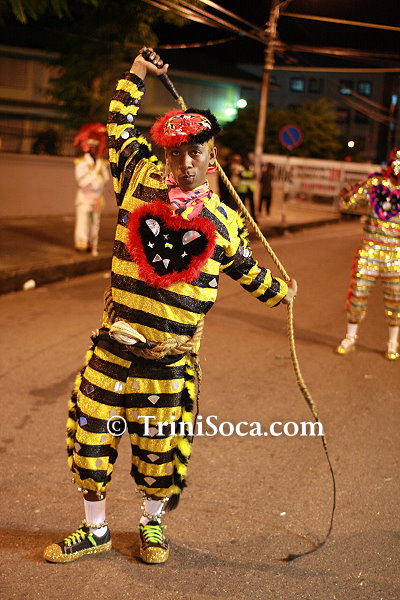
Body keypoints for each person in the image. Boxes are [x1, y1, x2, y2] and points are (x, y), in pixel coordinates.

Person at [43, 49, 297, 566]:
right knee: (90, 436)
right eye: (175, 153)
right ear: (164, 155)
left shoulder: (223, 222)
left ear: (211, 158)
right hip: (113, 347)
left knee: (159, 450)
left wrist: (282, 293)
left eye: (194, 153)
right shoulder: (136, 180)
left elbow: (247, 270)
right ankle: (95, 529)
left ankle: (151, 524)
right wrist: (138, 73)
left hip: (168, 361)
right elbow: (118, 124)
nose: (184, 163)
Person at [336, 146, 400, 360]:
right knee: (358, 293)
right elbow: (348, 203)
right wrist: (349, 190)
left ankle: (393, 342)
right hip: (369, 249)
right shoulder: (375, 184)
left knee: (395, 298)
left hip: (396, 254)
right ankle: (350, 337)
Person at [73, 123, 109, 256]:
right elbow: (81, 180)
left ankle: (92, 243)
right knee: (83, 221)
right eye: (91, 147)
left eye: (96, 146)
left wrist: (96, 180)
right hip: (84, 197)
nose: (93, 149)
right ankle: (82, 243)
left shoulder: (101, 163)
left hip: (97, 198)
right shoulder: (82, 162)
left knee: (95, 223)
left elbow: (105, 179)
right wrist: (95, 179)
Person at [236, 158, 257, 223]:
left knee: (252, 204)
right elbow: (241, 176)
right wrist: (249, 178)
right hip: (242, 190)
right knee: (243, 205)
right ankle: (243, 217)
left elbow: (254, 177)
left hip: (249, 189)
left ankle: (253, 217)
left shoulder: (251, 171)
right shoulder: (242, 171)